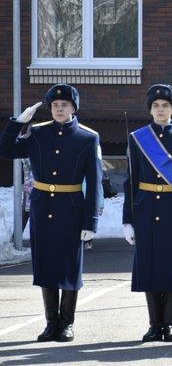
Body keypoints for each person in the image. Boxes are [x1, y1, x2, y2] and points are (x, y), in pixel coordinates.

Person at [0, 84, 102, 342]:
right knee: (45, 266)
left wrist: (91, 220)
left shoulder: (88, 138)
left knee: (69, 267)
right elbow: (6, 150)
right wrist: (17, 124)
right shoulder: (37, 133)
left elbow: (95, 182)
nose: (59, 109)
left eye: (64, 105)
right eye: (55, 106)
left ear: (73, 108)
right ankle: (50, 323)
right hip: (42, 206)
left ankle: (66, 323)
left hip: (71, 209)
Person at [122, 84, 172, 343]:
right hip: (145, 210)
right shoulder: (138, 137)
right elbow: (130, 181)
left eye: (165, 106)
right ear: (150, 109)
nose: (160, 110)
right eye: (155, 106)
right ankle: (154, 324)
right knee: (150, 268)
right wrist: (128, 220)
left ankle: (170, 324)